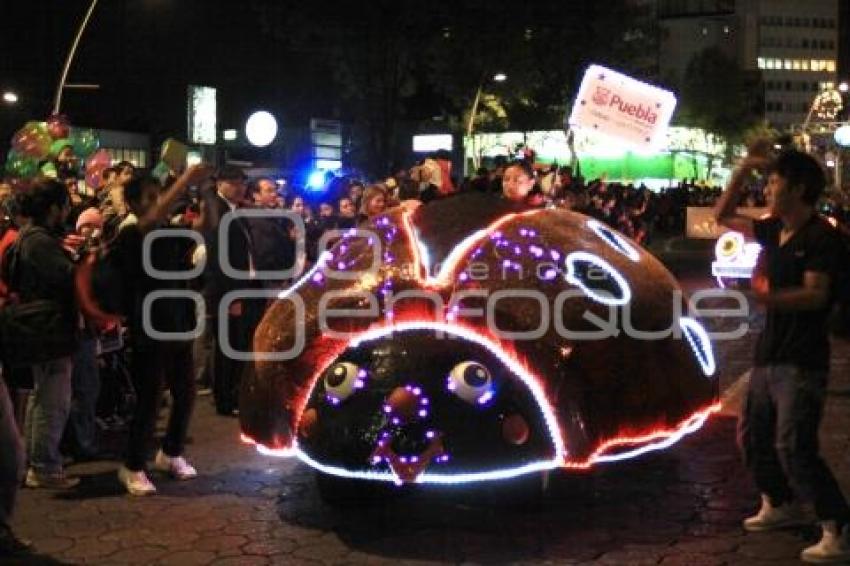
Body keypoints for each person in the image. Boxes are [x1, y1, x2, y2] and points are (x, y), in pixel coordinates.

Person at [715, 148, 850, 563]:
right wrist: (743, 170)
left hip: (802, 359)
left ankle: (839, 527)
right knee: (752, 437)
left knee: (794, 445)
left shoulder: (821, 238)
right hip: (769, 352)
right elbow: (723, 215)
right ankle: (780, 502)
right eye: (769, 181)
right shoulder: (775, 230)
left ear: (799, 189)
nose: (768, 188)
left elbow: (815, 294)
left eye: (775, 182)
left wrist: (767, 296)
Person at [114, 165, 211, 495]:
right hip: (149, 327)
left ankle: (170, 453)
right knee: (150, 399)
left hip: (178, 322)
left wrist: (208, 193)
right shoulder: (129, 232)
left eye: (160, 196)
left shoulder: (167, 231)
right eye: (151, 198)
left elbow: (205, 230)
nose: (158, 203)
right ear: (133, 204)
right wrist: (184, 181)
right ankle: (132, 466)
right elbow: (150, 222)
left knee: (185, 393)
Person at [12, 179, 80, 489]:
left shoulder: (31, 237)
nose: (67, 210)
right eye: (64, 204)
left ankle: (34, 461)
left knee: (44, 396)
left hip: (40, 328)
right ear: (52, 208)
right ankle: (44, 467)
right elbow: (68, 278)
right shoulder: (38, 241)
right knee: (52, 398)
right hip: (47, 329)